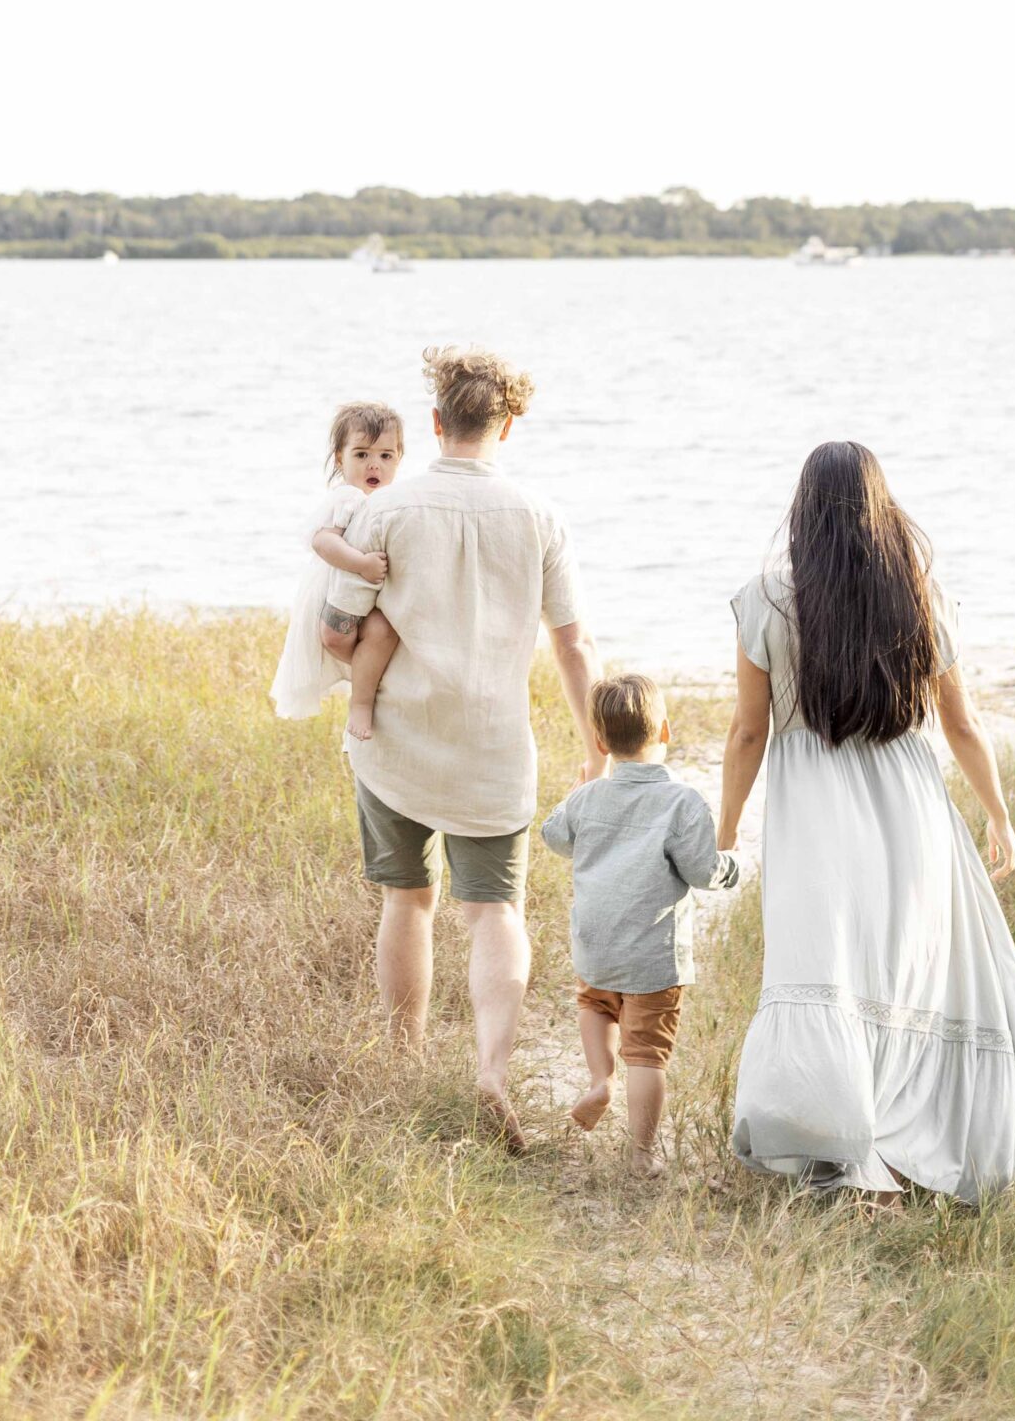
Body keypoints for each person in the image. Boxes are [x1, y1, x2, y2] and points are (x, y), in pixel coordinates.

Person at [719, 441, 1015, 1204]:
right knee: (905, 976)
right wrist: (997, 815)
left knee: (827, 970)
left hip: (814, 815)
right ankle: (886, 1154)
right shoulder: (918, 596)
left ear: (802, 512)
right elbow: (962, 724)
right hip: (910, 807)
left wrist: (725, 834)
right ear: (880, 511)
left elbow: (748, 733)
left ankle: (850, 1154)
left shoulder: (764, 600)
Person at [344, 343, 603, 1148]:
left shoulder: (385, 508)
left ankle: (406, 1056)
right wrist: (594, 742)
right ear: (509, 423)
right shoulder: (539, 515)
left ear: (433, 423)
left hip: (396, 743)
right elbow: (572, 644)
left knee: (406, 900)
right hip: (494, 748)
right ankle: (491, 1067)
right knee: (494, 909)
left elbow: (342, 625)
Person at [542, 673, 740, 1176]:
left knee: (595, 1004)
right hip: (652, 956)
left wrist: (576, 796)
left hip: (596, 946)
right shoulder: (682, 802)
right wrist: (731, 864)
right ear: (666, 731)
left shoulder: (587, 798)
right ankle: (640, 1156)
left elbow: (554, 837)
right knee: (648, 1054)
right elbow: (701, 871)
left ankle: (599, 1080)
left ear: (602, 742)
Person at [269, 403, 403, 737]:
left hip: (360, 593)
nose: (374, 464)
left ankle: (370, 681)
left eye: (386, 456)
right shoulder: (348, 497)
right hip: (333, 592)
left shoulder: (388, 501)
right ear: (340, 459)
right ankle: (360, 703)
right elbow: (323, 541)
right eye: (361, 455)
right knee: (351, 636)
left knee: (380, 632)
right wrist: (361, 564)